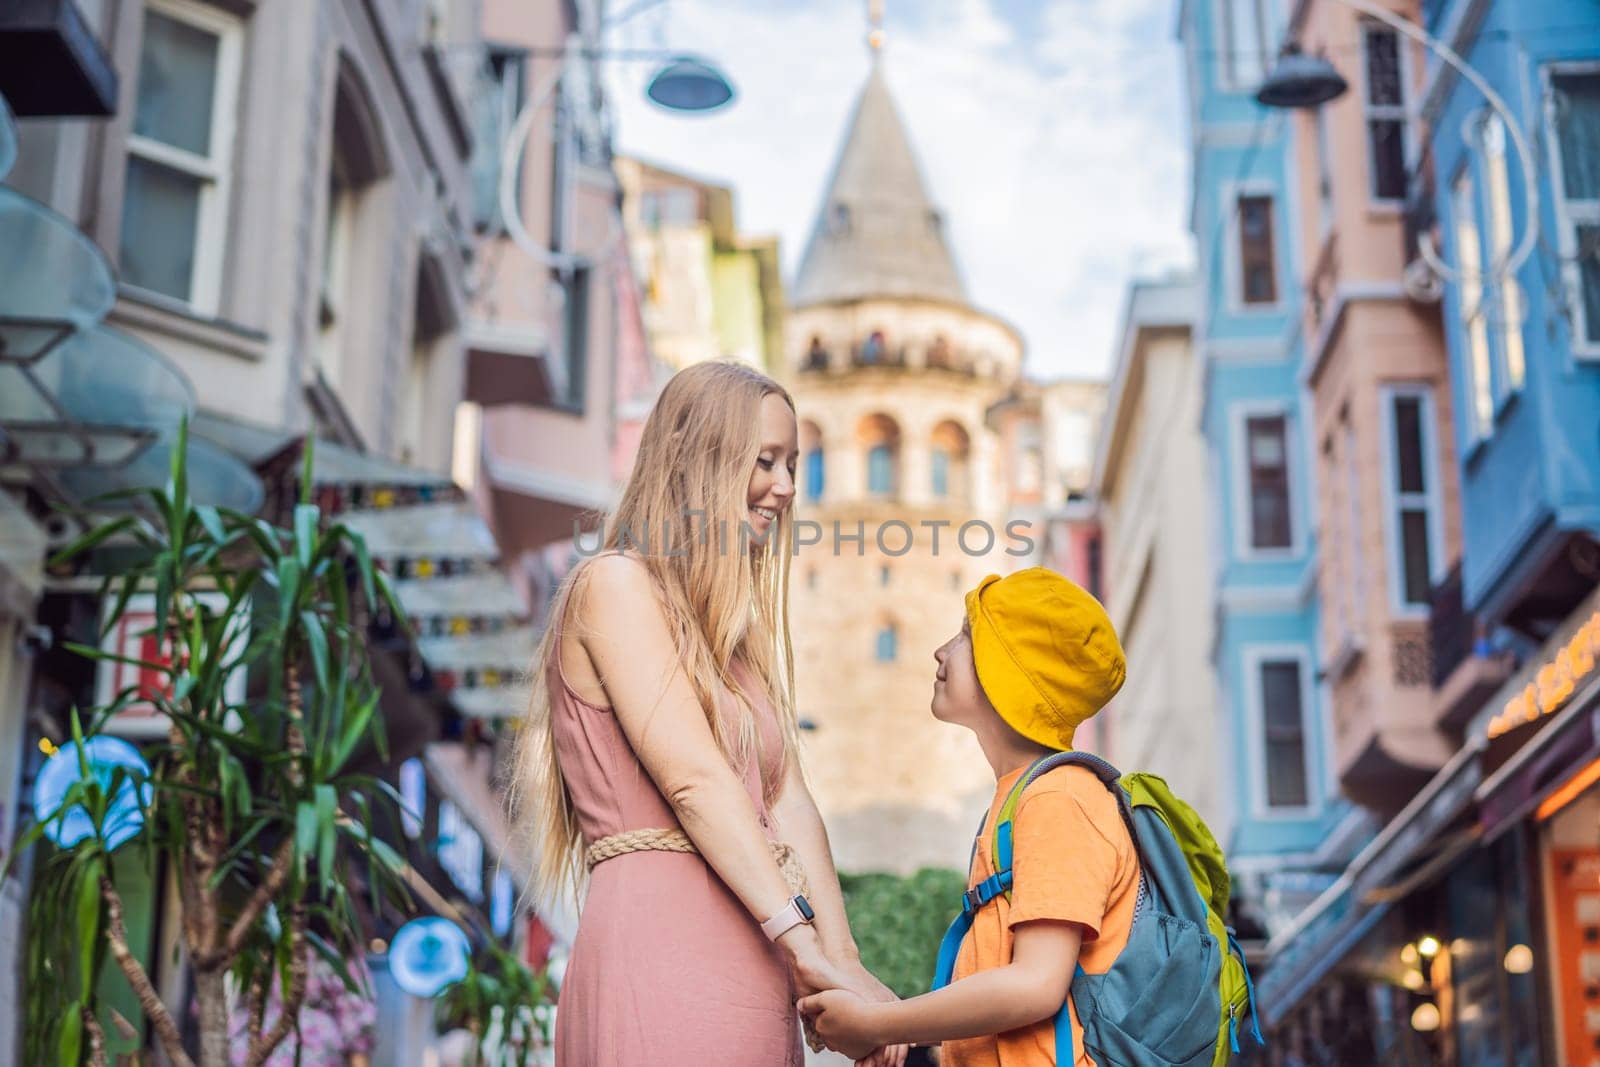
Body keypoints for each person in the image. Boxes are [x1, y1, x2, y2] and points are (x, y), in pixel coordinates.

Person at [508, 360, 905, 1067]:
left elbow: (788, 799)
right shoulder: (614, 584)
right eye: (766, 462)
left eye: (793, 464)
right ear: (702, 462)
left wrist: (848, 966)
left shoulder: (737, 646)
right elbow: (694, 779)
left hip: (758, 948)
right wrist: (807, 946)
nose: (786, 488)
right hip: (663, 941)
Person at [800, 568, 1137, 1066]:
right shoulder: (1018, 801)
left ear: (1010, 669)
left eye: (965, 634)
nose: (941, 651)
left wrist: (876, 1023)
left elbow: (1035, 985)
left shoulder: (1060, 798)